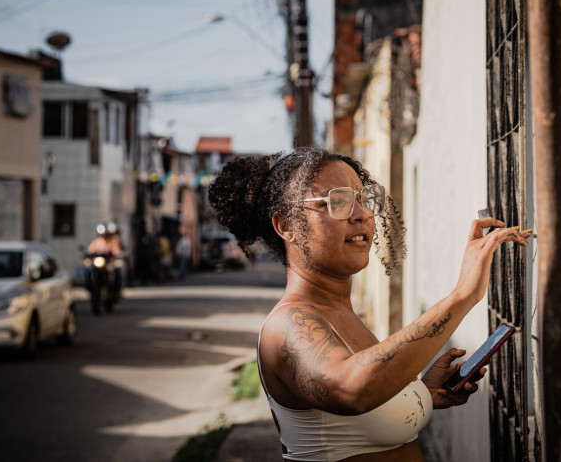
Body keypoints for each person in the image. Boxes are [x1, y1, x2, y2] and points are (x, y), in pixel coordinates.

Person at [208, 148, 531, 461]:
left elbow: (363, 407)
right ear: (286, 226)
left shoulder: (340, 312)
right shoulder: (288, 323)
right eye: (338, 202)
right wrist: (462, 295)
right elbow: (352, 389)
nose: (361, 214)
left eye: (365, 199)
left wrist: (419, 395)